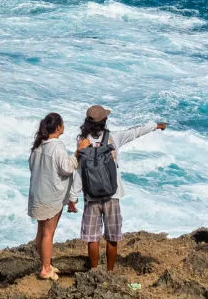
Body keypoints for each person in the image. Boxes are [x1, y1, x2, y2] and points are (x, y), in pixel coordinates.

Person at [70, 105, 167, 272]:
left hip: (91, 197)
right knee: (112, 237)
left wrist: (73, 197)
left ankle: (94, 271)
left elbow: (79, 171)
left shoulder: (82, 142)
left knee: (92, 239)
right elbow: (136, 132)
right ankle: (109, 271)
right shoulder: (113, 138)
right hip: (112, 194)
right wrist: (156, 126)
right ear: (104, 121)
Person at [28, 112, 79, 281]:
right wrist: (77, 155)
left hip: (38, 194)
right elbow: (66, 168)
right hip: (51, 196)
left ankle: (45, 262)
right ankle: (45, 269)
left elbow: (32, 166)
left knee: (41, 231)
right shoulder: (57, 145)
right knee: (48, 233)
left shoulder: (38, 145)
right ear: (58, 127)